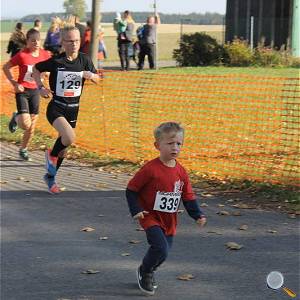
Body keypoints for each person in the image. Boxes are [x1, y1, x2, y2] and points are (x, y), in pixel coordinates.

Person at [126, 122, 207, 295]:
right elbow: (131, 190)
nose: (175, 148)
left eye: (179, 144)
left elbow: (188, 196)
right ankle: (145, 271)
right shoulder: (150, 169)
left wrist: (197, 214)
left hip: (169, 219)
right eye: (170, 143)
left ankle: (148, 269)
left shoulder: (181, 172)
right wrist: (136, 210)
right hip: (149, 216)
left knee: (163, 254)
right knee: (160, 248)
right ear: (158, 146)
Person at [32, 26, 99, 194]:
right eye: (70, 41)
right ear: (62, 42)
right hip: (56, 107)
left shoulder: (85, 60)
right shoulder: (56, 62)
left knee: (64, 147)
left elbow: (98, 78)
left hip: (73, 109)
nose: (74, 44)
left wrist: (91, 76)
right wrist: (40, 87)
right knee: (69, 137)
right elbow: (36, 69)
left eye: (77, 40)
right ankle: (50, 155)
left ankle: (50, 177)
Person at [2, 29, 51, 161]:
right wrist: (14, 83)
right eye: (32, 40)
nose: (35, 42)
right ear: (27, 42)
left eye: (38, 40)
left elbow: (49, 69)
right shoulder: (22, 55)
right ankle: (16, 117)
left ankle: (23, 149)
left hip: (36, 91)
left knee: (32, 127)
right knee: (25, 124)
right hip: (22, 91)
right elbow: (6, 67)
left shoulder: (45, 54)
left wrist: (46, 77)